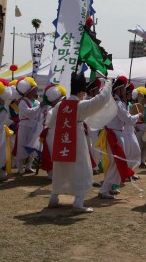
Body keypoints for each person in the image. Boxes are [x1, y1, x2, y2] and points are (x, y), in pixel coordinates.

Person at [47, 73, 112, 213]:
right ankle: (78, 202)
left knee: (60, 169)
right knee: (82, 169)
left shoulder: (59, 104)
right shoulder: (80, 105)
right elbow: (101, 99)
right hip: (76, 140)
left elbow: (50, 121)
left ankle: (53, 198)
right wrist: (108, 83)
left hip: (61, 139)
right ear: (82, 91)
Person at [98, 76, 138, 199]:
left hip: (114, 133)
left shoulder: (113, 101)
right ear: (120, 89)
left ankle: (109, 187)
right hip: (115, 134)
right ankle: (104, 188)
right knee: (117, 162)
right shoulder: (117, 102)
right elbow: (128, 120)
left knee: (115, 162)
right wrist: (139, 115)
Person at [12, 77, 40, 174]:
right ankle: (20, 168)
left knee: (32, 145)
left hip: (34, 125)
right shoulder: (22, 102)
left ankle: (29, 166)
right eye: (33, 90)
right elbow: (29, 113)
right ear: (28, 92)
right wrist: (40, 107)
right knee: (21, 146)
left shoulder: (37, 102)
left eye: (35, 90)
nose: (35, 92)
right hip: (24, 125)